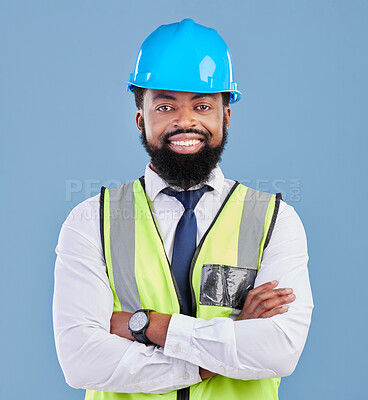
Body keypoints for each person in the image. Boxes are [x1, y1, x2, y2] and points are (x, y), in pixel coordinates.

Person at [53, 18, 313, 400]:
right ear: (141, 118)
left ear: (226, 115)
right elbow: (81, 360)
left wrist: (147, 326)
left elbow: (279, 351)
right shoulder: (92, 220)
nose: (185, 121)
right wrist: (219, 354)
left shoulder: (275, 221)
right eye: (165, 106)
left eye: (202, 105)